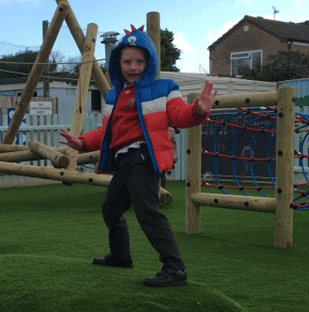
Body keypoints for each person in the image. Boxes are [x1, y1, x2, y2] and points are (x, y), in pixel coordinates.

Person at [59, 26, 216, 287]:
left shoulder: (163, 88)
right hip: (123, 162)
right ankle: (121, 256)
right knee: (111, 209)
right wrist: (83, 142)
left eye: (140, 61)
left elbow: (178, 115)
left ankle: (175, 268)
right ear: (117, 63)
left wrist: (197, 112)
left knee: (147, 212)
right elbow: (106, 131)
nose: (133, 67)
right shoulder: (114, 95)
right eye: (127, 61)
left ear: (149, 62)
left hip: (144, 157)